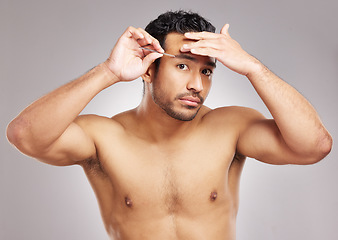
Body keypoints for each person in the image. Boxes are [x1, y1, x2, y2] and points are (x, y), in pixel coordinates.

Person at [6, 10, 332, 240]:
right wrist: (108, 71)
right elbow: (25, 135)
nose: (197, 84)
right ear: (149, 69)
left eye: (207, 70)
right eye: (182, 65)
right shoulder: (105, 138)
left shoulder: (230, 126)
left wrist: (253, 69)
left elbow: (314, 146)